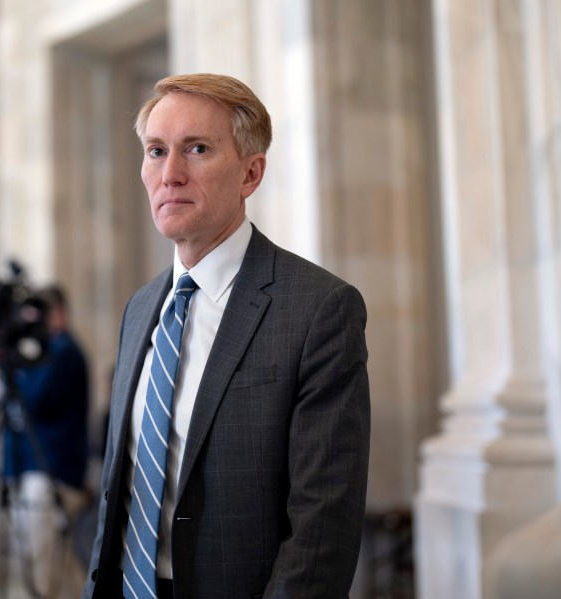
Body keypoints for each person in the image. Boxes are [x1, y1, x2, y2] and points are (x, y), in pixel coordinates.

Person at [83, 74, 370, 599]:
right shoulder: (141, 308)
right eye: (155, 151)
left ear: (250, 173)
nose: (170, 174)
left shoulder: (318, 309)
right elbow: (120, 492)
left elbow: (324, 521)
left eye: (197, 149)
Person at [3, 284, 90, 594]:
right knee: (61, 569)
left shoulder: (63, 351)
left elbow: (35, 402)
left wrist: (11, 377)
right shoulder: (48, 351)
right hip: (37, 468)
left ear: (59, 314)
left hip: (49, 472)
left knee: (41, 568)